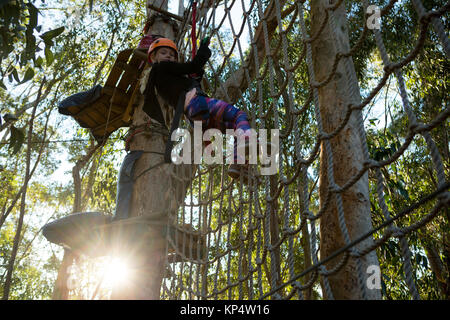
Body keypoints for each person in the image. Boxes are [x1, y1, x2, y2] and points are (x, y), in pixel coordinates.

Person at [143, 37, 254, 183]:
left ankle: (237, 164)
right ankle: (244, 144)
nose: (169, 56)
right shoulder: (162, 67)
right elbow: (193, 66)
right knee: (239, 116)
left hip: (195, 117)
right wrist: (203, 49)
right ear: (153, 57)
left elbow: (187, 78)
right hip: (198, 104)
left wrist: (207, 140)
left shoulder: (162, 81)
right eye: (164, 53)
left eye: (172, 54)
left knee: (235, 130)